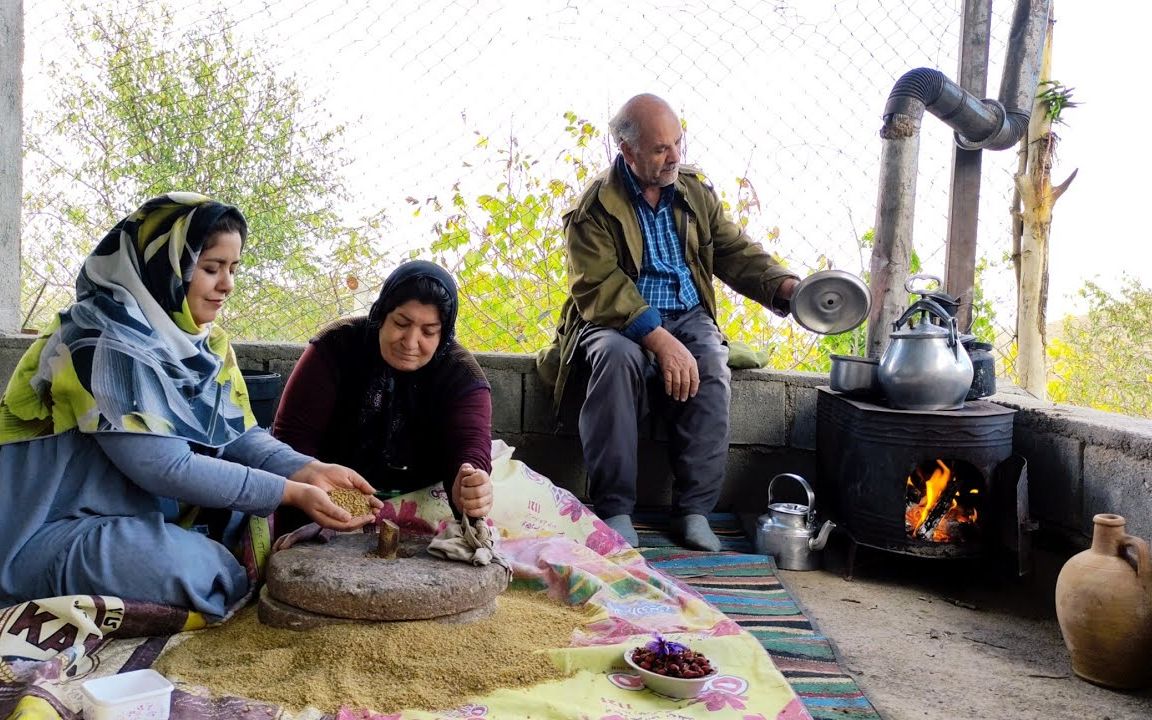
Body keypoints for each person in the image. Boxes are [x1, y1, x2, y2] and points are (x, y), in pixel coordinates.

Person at [0, 193, 379, 619]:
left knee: (241, 536)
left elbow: (237, 433)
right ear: (165, 265)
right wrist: (288, 492)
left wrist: (305, 469)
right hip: (48, 530)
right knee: (202, 573)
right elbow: (165, 467)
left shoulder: (202, 340)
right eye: (211, 268)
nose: (227, 285)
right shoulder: (99, 340)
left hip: (126, 514)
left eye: (233, 269)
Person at [537, 94, 801, 552]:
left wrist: (786, 288)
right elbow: (598, 286)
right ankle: (615, 508)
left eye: (678, 143)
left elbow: (734, 250)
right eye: (660, 149)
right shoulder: (594, 209)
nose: (674, 156)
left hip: (689, 313)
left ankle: (695, 510)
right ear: (627, 150)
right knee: (616, 362)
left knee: (712, 364)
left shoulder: (693, 192)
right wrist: (657, 338)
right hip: (616, 321)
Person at [273, 260, 494, 522]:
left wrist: (470, 485)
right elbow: (291, 444)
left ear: (443, 335)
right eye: (401, 323)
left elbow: (470, 447)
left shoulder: (461, 374)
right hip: (328, 493)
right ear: (380, 316)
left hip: (420, 500)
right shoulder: (335, 347)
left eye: (429, 331)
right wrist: (301, 520)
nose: (411, 342)